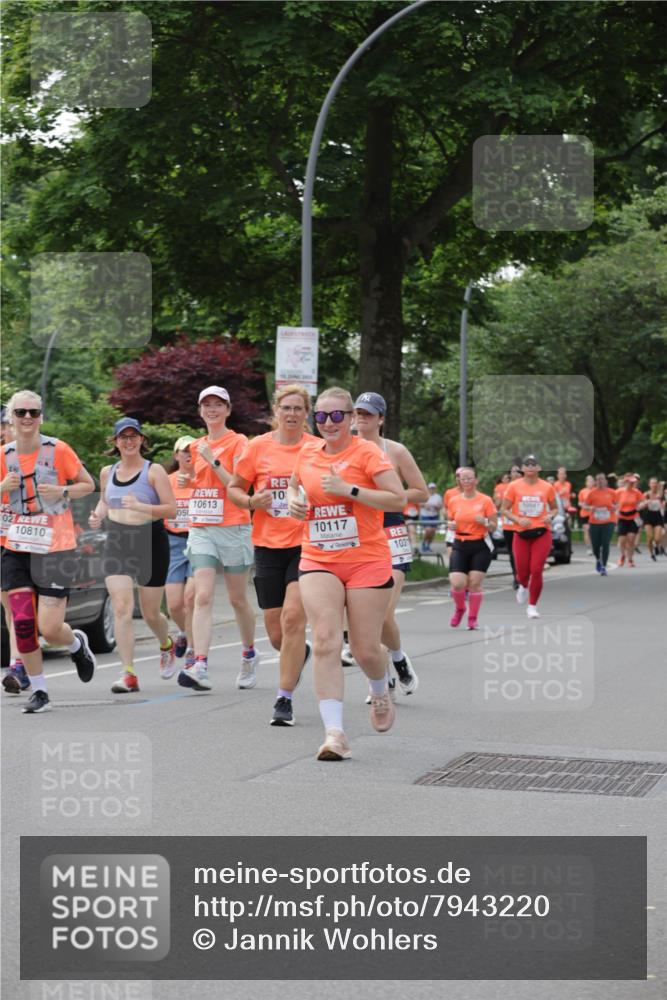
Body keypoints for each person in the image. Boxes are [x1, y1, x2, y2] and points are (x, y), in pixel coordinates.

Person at [287, 387, 406, 761]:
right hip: (318, 557)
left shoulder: (368, 453)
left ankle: (380, 686)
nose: (328, 423)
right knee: (324, 639)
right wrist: (293, 500)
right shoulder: (307, 453)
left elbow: (397, 499)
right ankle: (334, 733)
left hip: (367, 559)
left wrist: (350, 489)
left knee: (365, 648)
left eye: (337, 416)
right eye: (321, 417)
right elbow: (295, 484)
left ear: (352, 419)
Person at [0, 390, 96, 712]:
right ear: (11, 417)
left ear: (41, 416)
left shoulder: (58, 451)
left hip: (56, 549)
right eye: (21, 412)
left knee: (50, 629)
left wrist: (62, 489)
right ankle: (40, 691)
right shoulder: (3, 456)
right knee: (24, 622)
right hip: (16, 547)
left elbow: (89, 484)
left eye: (34, 413)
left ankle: (76, 643)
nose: (28, 418)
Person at [227, 385, 315, 726]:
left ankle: (284, 699)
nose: (292, 414)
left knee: (294, 619)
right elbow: (234, 488)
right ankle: (299, 654)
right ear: (275, 411)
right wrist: (251, 502)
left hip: (306, 544)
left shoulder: (316, 448)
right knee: (277, 634)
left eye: (298, 408)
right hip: (266, 545)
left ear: (306, 414)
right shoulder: (257, 447)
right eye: (286, 408)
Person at [177, 387, 259, 693]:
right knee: (202, 596)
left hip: (233, 526)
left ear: (228, 409)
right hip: (201, 528)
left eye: (218, 405)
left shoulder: (239, 442)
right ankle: (201, 664)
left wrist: (212, 462)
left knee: (238, 599)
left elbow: (239, 486)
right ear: (200, 411)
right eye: (206, 405)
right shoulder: (196, 445)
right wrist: (188, 481)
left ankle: (249, 653)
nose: (212, 409)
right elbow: (200, 484)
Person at [90, 417, 177, 693]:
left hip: (150, 540)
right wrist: (97, 514)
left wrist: (141, 506)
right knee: (121, 607)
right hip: (118, 540)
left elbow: (171, 510)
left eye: (133, 436)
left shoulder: (154, 472)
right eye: (123, 437)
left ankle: (166, 643)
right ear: (115, 442)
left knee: (151, 613)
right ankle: (128, 673)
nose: (128, 441)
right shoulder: (107, 471)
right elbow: (105, 500)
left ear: (141, 440)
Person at [353, 391, 427, 694]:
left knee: (383, 614)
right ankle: (382, 679)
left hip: (390, 534)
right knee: (364, 621)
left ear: (381, 419)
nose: (361, 418)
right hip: (356, 536)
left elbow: (420, 491)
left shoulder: (395, 451)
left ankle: (397, 658)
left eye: (368, 414)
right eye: (357, 412)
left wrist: (383, 497)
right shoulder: (343, 449)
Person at [501, 455, 558, 619]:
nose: (531, 466)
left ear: (539, 468)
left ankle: (532, 606)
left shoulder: (547, 487)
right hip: (520, 534)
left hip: (542, 532)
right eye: (527, 464)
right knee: (522, 572)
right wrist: (518, 519)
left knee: (537, 569)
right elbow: (504, 509)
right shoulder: (513, 486)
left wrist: (550, 516)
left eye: (535, 464)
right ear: (522, 469)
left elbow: (554, 508)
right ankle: (523, 585)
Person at [446, 468, 497, 629]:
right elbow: (450, 521)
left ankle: (472, 618)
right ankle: (460, 609)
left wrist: (485, 522)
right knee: (457, 582)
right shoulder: (454, 500)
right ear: (459, 481)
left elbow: (494, 527)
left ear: (476, 480)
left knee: (474, 583)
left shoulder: (486, 500)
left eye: (470, 478)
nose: (467, 482)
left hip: (480, 544)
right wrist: (450, 525)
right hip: (460, 543)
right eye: (463, 479)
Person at [164, 436, 198, 666]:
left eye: (192, 450)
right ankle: (184, 632)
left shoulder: (206, 479)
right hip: (174, 542)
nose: (188, 454)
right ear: (176, 456)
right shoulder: (166, 482)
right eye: (183, 451)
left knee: (191, 599)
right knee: (174, 605)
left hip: (199, 540)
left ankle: (194, 653)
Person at [581, 473, 618, 575]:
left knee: (605, 543)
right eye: (598, 480)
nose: (600, 481)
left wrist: (615, 507)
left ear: (605, 481)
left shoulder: (612, 492)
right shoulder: (592, 493)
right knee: (595, 546)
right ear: (596, 482)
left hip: (609, 521)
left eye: (602, 479)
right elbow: (585, 505)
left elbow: (617, 504)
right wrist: (590, 508)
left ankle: (603, 566)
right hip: (595, 522)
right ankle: (598, 559)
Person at [615, 473, 644, 567]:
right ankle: (623, 556)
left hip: (633, 517)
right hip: (622, 518)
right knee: (622, 540)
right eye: (630, 482)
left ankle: (630, 559)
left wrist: (641, 506)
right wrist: (615, 511)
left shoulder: (637, 492)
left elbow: (641, 502)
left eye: (633, 482)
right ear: (626, 482)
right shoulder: (618, 492)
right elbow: (613, 503)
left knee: (631, 540)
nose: (632, 484)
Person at [641, 477, 665, 561]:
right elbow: (642, 505)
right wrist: (645, 503)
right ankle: (651, 554)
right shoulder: (646, 494)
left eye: (655, 483)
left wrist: (661, 486)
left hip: (657, 516)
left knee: (657, 538)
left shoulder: (660, 493)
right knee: (649, 537)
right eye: (652, 483)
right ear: (649, 485)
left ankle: (656, 546)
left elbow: (661, 496)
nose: (654, 485)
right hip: (648, 516)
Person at [420, 482, 443, 553]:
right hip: (425, 515)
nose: (432, 489)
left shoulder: (438, 497)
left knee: (433, 532)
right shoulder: (424, 495)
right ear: (428, 489)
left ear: (435, 489)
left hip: (434, 515)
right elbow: (419, 504)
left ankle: (428, 545)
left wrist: (436, 507)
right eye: (430, 488)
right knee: (428, 530)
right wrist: (425, 505)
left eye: (433, 488)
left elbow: (440, 507)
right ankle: (423, 543)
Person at [578, 475, 595, 554]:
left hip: (595, 514)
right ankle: (589, 548)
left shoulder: (596, 491)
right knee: (587, 530)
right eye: (589, 481)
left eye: (592, 481)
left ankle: (596, 546)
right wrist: (586, 506)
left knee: (595, 531)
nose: (590, 483)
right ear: (586, 483)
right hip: (585, 514)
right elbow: (580, 503)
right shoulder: (583, 491)